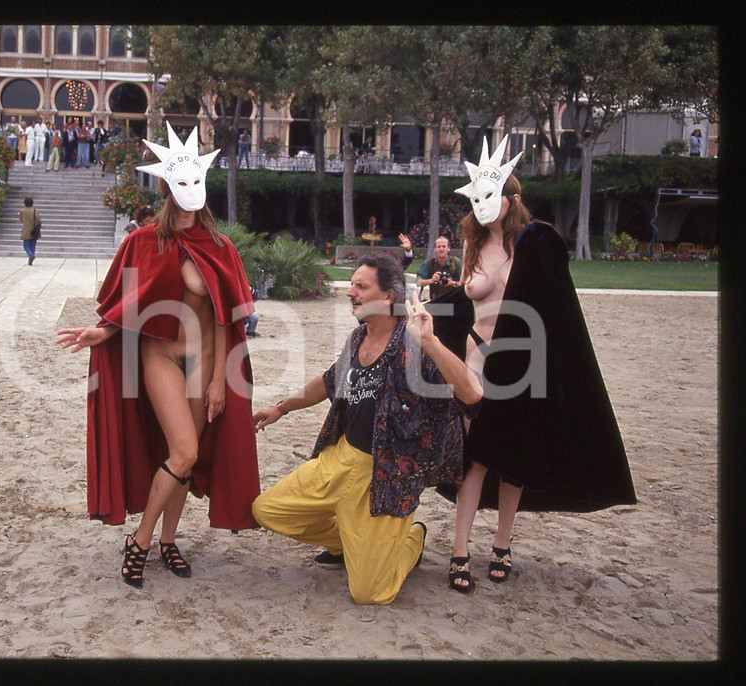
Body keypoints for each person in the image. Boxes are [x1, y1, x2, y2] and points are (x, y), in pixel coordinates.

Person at [55, 122, 259, 590]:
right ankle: (141, 540)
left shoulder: (222, 248)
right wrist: (102, 330)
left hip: (206, 364)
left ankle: (170, 541)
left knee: (182, 457)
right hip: (161, 358)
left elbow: (229, 318)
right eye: (181, 182)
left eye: (197, 181)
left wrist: (216, 382)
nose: (191, 190)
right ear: (166, 186)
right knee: (184, 450)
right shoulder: (144, 242)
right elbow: (128, 300)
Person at [438, 136, 636, 592]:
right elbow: (460, 304)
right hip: (475, 362)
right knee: (475, 461)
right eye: (477, 198)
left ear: (513, 199)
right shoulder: (470, 248)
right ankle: (460, 549)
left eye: (494, 196)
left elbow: (556, 309)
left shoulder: (534, 245)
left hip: (521, 366)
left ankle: (502, 545)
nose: (485, 206)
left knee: (513, 461)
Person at [251, 254, 482, 605]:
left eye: (361, 286)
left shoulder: (414, 343)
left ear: (388, 296)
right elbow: (329, 380)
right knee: (266, 510)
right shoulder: (359, 336)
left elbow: (472, 394)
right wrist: (281, 408)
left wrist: (431, 342)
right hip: (340, 460)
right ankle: (348, 538)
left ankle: (411, 541)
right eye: (352, 284)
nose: (350, 292)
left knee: (370, 593)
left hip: (386, 477)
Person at [399, 234, 462, 301]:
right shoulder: (430, 263)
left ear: (448, 248)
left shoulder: (455, 263)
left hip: (454, 300)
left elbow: (465, 283)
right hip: (436, 300)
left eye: (444, 246)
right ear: (435, 249)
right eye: (438, 247)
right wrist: (431, 280)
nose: (441, 249)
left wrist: (453, 283)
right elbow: (418, 282)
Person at [19, 197, 41, 266]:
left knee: (26, 246)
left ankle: (30, 255)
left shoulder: (22, 211)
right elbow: (39, 221)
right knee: (33, 245)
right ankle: (32, 256)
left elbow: (21, 219)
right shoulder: (35, 211)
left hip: (26, 230)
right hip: (34, 231)